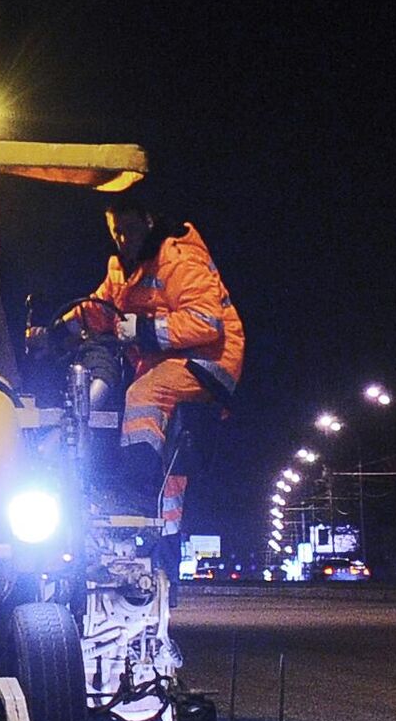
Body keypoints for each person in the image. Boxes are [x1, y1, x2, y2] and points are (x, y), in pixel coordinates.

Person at [33, 195, 243, 530]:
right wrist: (54, 335)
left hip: (209, 360)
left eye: (129, 231)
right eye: (117, 232)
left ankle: (139, 492)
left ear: (149, 222)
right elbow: (97, 311)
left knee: (143, 397)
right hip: (172, 361)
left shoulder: (178, 259)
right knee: (154, 423)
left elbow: (206, 322)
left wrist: (145, 331)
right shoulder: (121, 270)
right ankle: (151, 508)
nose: (122, 240)